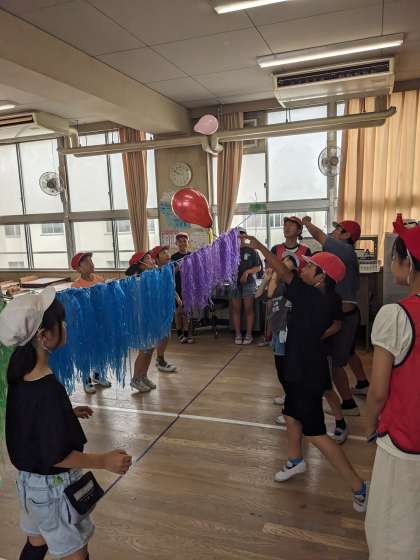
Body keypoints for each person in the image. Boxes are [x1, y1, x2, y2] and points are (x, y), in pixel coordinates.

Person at [0, 288, 132, 560]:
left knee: (37, 542)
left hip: (28, 485)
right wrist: (104, 461)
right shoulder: (49, 390)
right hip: (53, 491)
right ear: (44, 336)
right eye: (61, 322)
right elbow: (57, 456)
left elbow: (32, 420)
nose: (66, 326)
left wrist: (65, 414)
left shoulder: (19, 375)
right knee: (75, 553)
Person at [244, 234, 368, 512]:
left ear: (321, 277)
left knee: (316, 434)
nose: (304, 268)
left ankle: (359, 487)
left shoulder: (309, 295)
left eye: (311, 266)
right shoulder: (331, 298)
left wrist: (259, 246)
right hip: (304, 365)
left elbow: (283, 270)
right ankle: (295, 460)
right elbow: (335, 323)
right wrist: (315, 335)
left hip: (305, 372)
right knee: (291, 415)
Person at [365, 217, 420, 560]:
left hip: (404, 437)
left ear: (408, 263)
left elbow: (378, 391)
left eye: (396, 257)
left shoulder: (396, 315)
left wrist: (369, 424)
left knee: (393, 528)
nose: (394, 263)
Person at [303, 217, 370, 434]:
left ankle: (348, 404)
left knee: (336, 365)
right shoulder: (346, 253)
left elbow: (318, 235)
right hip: (350, 315)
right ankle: (362, 383)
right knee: (349, 353)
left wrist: (306, 222)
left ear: (346, 235)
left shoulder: (344, 249)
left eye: (338, 229)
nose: (333, 232)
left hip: (344, 317)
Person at [71, 252, 112, 395]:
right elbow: (76, 308)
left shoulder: (100, 280)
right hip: (85, 324)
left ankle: (98, 375)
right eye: (87, 262)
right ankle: (86, 380)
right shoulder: (76, 286)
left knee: (101, 349)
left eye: (91, 261)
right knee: (86, 352)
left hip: (101, 321)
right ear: (78, 268)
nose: (91, 264)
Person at [126, 251, 158, 393]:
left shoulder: (151, 277)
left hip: (150, 318)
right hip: (140, 320)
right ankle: (135, 379)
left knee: (151, 348)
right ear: (140, 264)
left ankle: (143, 376)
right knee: (144, 349)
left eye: (151, 258)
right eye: (148, 258)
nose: (152, 260)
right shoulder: (136, 280)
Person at [231, 228, 262, 345]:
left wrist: (247, 272)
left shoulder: (252, 250)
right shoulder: (230, 251)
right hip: (235, 283)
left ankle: (249, 335)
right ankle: (238, 334)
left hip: (249, 283)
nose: (240, 238)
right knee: (236, 309)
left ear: (246, 236)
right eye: (237, 236)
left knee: (249, 309)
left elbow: (258, 267)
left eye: (242, 235)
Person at [150, 245, 178, 373]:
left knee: (166, 334)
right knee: (162, 335)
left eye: (167, 252)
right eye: (163, 253)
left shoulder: (167, 270)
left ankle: (160, 358)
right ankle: (159, 360)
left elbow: (170, 287)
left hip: (167, 306)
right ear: (156, 259)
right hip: (157, 308)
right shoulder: (153, 273)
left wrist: (177, 298)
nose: (167, 255)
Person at [171, 232, 193, 344]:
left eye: (184, 241)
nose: (182, 243)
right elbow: (170, 274)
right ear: (176, 243)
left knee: (187, 311)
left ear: (188, 243)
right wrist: (178, 268)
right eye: (180, 241)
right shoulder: (173, 257)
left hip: (188, 286)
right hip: (177, 287)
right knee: (178, 311)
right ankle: (179, 333)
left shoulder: (191, 255)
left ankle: (187, 333)